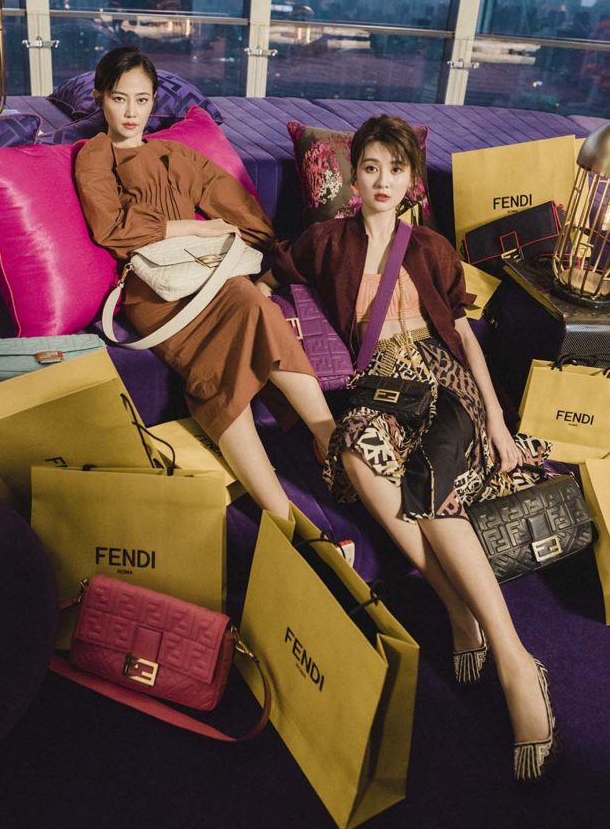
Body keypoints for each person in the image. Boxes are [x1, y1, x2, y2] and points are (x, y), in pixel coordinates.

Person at [258, 114, 559, 782]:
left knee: (428, 477)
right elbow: (271, 275)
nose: (382, 181)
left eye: (395, 169)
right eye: (370, 168)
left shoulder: (429, 247)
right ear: (354, 177)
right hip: (379, 383)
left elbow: (465, 335)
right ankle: (454, 604)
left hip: (442, 378)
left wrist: (496, 421)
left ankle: (515, 660)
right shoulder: (325, 242)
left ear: (412, 180)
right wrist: (252, 294)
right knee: (356, 448)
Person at [75, 46, 335, 520]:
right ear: (99, 98)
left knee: (250, 299)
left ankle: (329, 437)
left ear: (154, 102)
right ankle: (283, 516)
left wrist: (253, 244)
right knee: (218, 366)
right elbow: (111, 229)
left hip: (206, 276)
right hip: (156, 291)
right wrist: (195, 229)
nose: (131, 112)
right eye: (119, 98)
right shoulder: (95, 155)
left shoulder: (174, 153)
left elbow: (238, 207)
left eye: (142, 100)